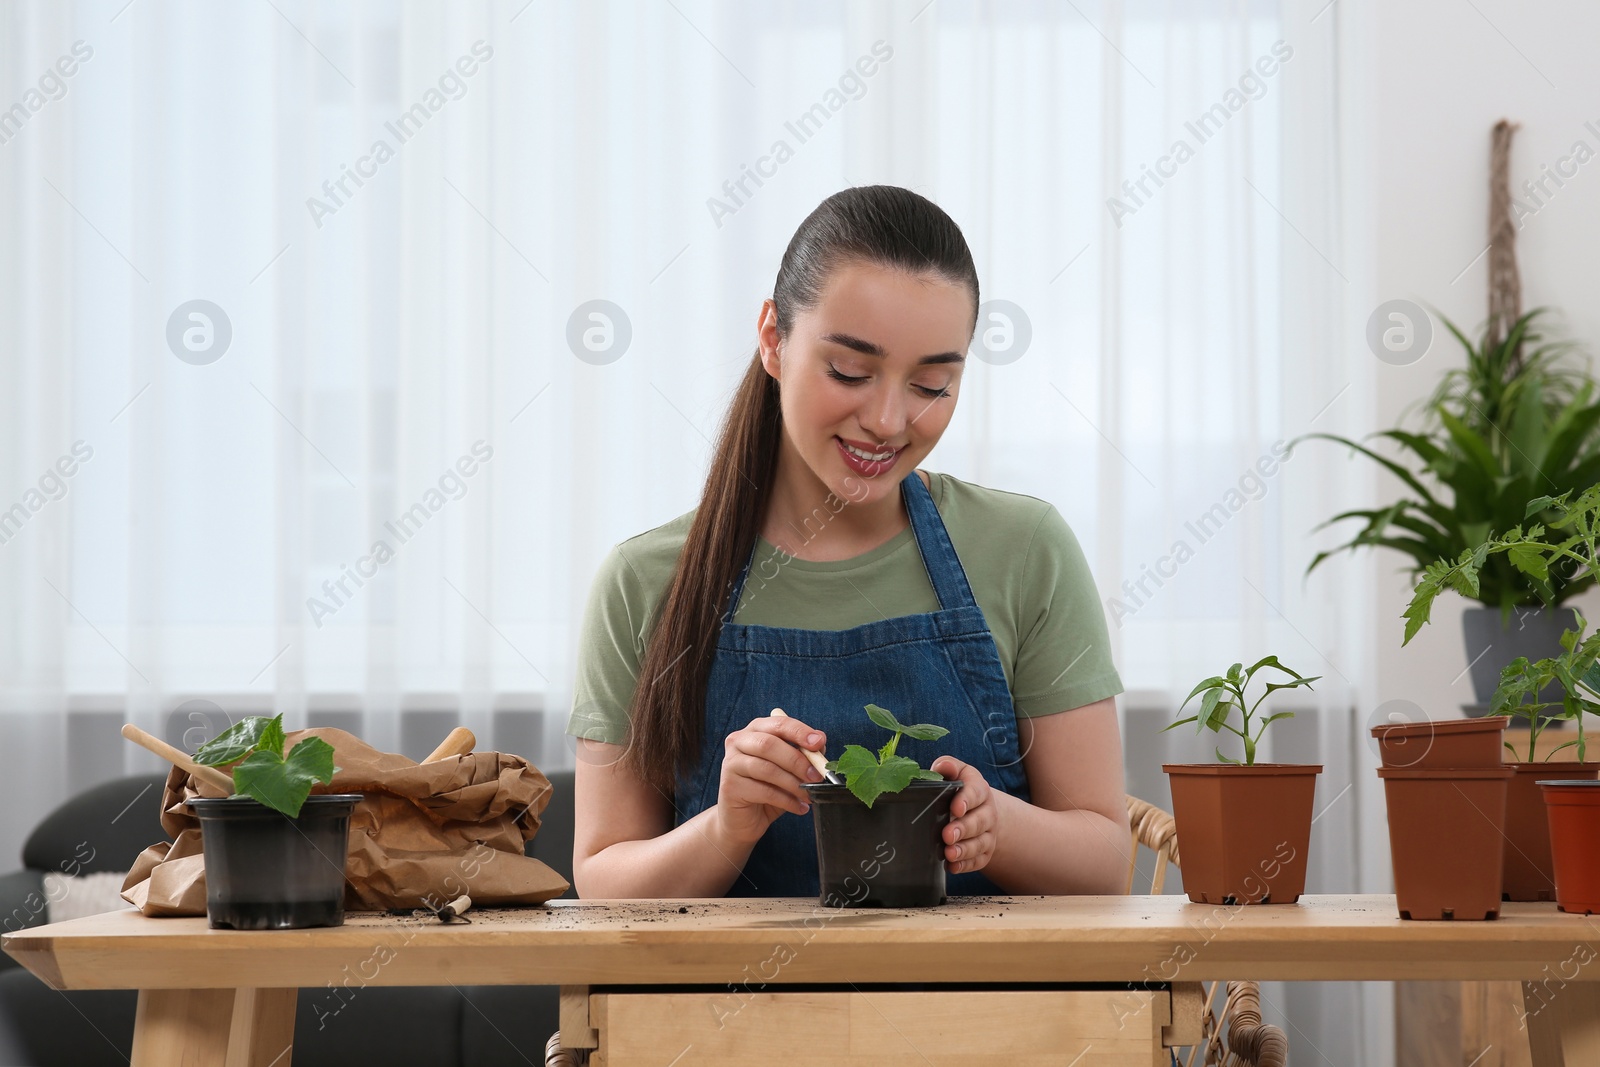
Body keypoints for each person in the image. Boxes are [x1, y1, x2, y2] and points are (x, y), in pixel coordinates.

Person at [568, 185, 1130, 899]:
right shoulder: (643, 581)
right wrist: (726, 827)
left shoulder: (1026, 550)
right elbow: (603, 878)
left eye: (932, 384)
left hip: (986, 1009)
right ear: (773, 338)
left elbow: (1106, 861)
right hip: (728, 1009)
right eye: (851, 372)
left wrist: (1002, 826)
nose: (890, 420)